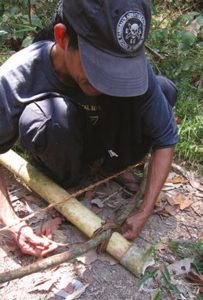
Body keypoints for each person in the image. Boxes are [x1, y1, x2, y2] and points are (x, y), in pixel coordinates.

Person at [0, 0, 178, 256]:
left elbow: (165, 136)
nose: (106, 80)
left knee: (163, 90)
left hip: (110, 144)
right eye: (98, 65)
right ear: (62, 37)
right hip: (66, 146)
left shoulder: (131, 71)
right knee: (46, 118)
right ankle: (74, 178)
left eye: (117, 69)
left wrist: (144, 209)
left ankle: (115, 166)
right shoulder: (18, 76)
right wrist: (14, 225)